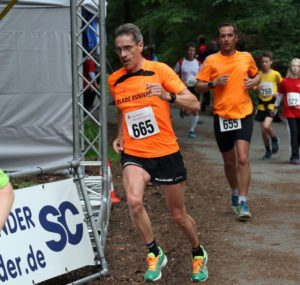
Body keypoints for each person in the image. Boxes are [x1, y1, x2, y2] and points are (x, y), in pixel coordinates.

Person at [108, 23, 208, 282]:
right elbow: (123, 108)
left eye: (128, 48)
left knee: (178, 215)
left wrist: (168, 96)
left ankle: (197, 253)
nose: (124, 54)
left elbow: (194, 103)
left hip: (165, 152)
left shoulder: (160, 70)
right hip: (134, 152)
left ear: (140, 46)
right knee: (133, 201)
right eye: (119, 50)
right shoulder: (114, 79)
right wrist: (120, 134)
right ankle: (154, 252)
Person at [195, 22, 261, 221]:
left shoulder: (246, 57)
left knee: (242, 158)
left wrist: (253, 82)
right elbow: (198, 87)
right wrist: (213, 83)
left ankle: (243, 201)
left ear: (236, 38)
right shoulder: (211, 60)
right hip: (222, 116)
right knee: (229, 161)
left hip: (244, 114)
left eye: (229, 35)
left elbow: (256, 74)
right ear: (218, 39)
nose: (226, 39)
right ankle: (234, 192)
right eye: (222, 35)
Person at [254, 51, 282, 160]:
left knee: (266, 126)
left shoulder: (275, 74)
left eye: (266, 62)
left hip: (271, 105)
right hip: (261, 105)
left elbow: (283, 86)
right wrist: (257, 89)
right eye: (262, 62)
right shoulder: (258, 75)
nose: (264, 64)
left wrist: (278, 93)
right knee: (263, 131)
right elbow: (255, 90)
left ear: (271, 62)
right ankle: (267, 151)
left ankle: (274, 139)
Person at [275, 58, 300, 165]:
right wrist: (275, 107)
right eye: (293, 65)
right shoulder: (284, 81)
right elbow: (280, 95)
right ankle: (294, 156)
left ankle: (295, 152)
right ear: (290, 67)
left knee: (299, 134)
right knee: (293, 133)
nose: (295, 68)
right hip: (290, 112)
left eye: (297, 66)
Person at [174, 42, 202, 138]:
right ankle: (183, 109)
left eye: (193, 50)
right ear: (186, 51)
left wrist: (194, 82)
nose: (191, 52)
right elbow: (173, 75)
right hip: (184, 89)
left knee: (195, 109)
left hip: (195, 88)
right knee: (187, 113)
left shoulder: (198, 63)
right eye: (189, 50)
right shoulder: (181, 62)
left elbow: (202, 76)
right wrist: (181, 83)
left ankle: (191, 131)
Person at [200, 40, 219, 112]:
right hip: (207, 74)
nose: (214, 46)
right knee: (206, 92)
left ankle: (214, 108)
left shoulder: (219, 52)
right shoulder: (206, 52)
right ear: (210, 45)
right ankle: (203, 105)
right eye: (212, 45)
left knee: (216, 93)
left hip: (216, 74)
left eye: (215, 45)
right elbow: (202, 62)